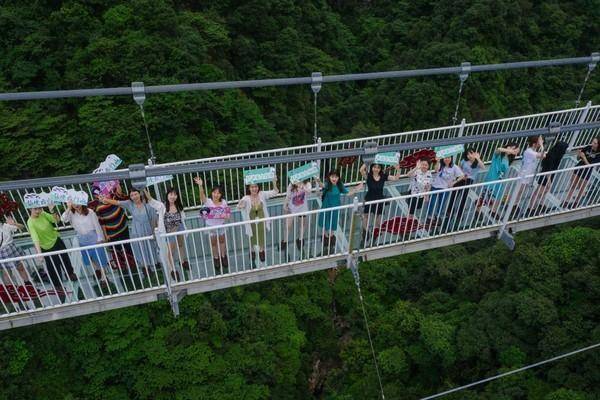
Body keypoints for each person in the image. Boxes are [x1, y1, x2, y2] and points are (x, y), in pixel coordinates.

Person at [99, 189, 159, 279]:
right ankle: (145, 268)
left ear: (140, 194)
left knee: (151, 247)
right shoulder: (129, 204)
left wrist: (154, 231)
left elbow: (154, 218)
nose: (134, 196)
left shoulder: (148, 204)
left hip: (148, 230)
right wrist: (106, 200)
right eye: (132, 195)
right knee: (140, 249)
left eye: (136, 194)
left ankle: (154, 266)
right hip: (136, 231)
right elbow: (117, 202)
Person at [27, 203, 77, 296]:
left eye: (39, 208)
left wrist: (52, 210)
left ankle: (70, 273)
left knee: (65, 259)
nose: (38, 211)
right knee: (53, 267)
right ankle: (58, 286)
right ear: (30, 209)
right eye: (35, 209)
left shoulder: (43, 214)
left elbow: (56, 221)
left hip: (56, 240)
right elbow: (35, 238)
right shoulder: (30, 222)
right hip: (46, 247)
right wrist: (39, 253)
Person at [61, 201, 110, 288]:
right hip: (82, 238)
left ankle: (103, 278)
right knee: (90, 257)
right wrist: (68, 208)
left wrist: (100, 238)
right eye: (74, 203)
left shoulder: (90, 212)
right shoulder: (71, 214)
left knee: (99, 257)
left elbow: (97, 225)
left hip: (93, 237)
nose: (76, 205)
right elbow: (63, 219)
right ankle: (97, 269)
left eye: (77, 202)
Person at [145, 188, 189, 280]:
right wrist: (144, 190)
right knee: (170, 252)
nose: (173, 196)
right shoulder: (162, 206)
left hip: (180, 227)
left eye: (175, 194)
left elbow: (182, 217)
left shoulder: (178, 205)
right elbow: (151, 200)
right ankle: (173, 270)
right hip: (169, 232)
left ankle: (183, 261)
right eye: (171, 194)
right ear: (167, 195)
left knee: (181, 245)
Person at [317, 170, 363, 254]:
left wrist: (356, 189)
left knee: (333, 222)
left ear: (338, 178)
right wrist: (318, 181)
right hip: (326, 206)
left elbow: (348, 193)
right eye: (332, 177)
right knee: (325, 221)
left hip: (335, 207)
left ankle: (331, 237)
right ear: (329, 177)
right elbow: (322, 185)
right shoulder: (328, 184)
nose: (334, 179)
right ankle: (325, 237)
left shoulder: (339, 185)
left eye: (336, 177)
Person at [237, 176, 278, 268]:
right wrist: (241, 205)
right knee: (251, 238)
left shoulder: (262, 194)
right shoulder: (246, 198)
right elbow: (239, 206)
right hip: (251, 223)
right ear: (249, 188)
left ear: (258, 187)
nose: (254, 189)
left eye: (256, 187)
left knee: (262, 236)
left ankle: (261, 251)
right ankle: (252, 251)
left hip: (261, 221)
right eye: (252, 187)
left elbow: (275, 192)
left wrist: (274, 182)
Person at [194, 177, 230, 273]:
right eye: (214, 192)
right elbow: (202, 197)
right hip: (210, 226)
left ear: (221, 194)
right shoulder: (208, 201)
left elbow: (228, 215)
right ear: (212, 193)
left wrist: (221, 215)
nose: (216, 195)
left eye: (218, 193)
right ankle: (216, 257)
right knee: (213, 243)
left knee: (222, 241)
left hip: (221, 225)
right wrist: (200, 186)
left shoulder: (224, 202)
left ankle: (223, 256)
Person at [359, 162, 400, 242]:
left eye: (378, 167)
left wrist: (398, 170)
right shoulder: (369, 176)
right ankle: (365, 232)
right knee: (366, 216)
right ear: (372, 168)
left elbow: (396, 178)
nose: (376, 169)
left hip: (379, 200)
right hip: (369, 199)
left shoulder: (383, 176)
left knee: (378, 219)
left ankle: (376, 233)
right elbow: (361, 170)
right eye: (374, 167)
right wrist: (368, 162)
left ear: (380, 169)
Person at [479, 143, 520, 218]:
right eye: (511, 148)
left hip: (500, 180)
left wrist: (513, 153)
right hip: (492, 178)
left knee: (498, 196)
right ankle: (478, 210)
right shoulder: (498, 155)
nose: (512, 150)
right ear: (507, 147)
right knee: (485, 196)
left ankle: (493, 211)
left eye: (514, 149)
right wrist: (509, 151)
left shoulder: (508, 159)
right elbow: (498, 149)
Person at [529, 141, 568, 213]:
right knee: (538, 192)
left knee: (544, 191)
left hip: (549, 174)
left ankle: (540, 205)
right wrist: (549, 180)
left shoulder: (556, 155)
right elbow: (548, 169)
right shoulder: (551, 156)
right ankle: (531, 208)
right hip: (546, 175)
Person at [426, 157, 465, 225]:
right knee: (432, 203)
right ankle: (429, 217)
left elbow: (462, 175)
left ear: (451, 158)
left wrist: (454, 182)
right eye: (445, 158)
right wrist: (438, 161)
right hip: (435, 186)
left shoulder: (454, 166)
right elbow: (436, 170)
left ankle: (438, 216)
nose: (447, 159)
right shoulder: (440, 164)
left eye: (448, 158)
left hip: (445, 188)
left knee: (441, 203)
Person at [282, 178, 317, 254]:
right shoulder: (291, 184)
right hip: (292, 208)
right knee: (288, 226)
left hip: (302, 208)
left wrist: (302, 187)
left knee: (302, 225)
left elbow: (308, 193)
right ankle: (285, 241)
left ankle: (300, 239)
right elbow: (288, 196)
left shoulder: (307, 184)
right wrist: (285, 205)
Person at [563, 137, 599, 208]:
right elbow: (578, 158)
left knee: (581, 188)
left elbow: (590, 166)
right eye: (592, 142)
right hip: (579, 166)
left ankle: (576, 202)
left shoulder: (598, 154)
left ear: (598, 145)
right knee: (572, 184)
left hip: (586, 171)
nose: (592, 144)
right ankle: (566, 201)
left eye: (595, 143)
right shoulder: (588, 147)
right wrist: (579, 155)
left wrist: (584, 157)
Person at [0, 215, 30, 287]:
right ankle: (11, 290)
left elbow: (22, 227)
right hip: (1, 251)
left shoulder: (5, 226)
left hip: (10, 248)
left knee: (20, 267)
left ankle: (28, 285)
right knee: (6, 272)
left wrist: (14, 223)